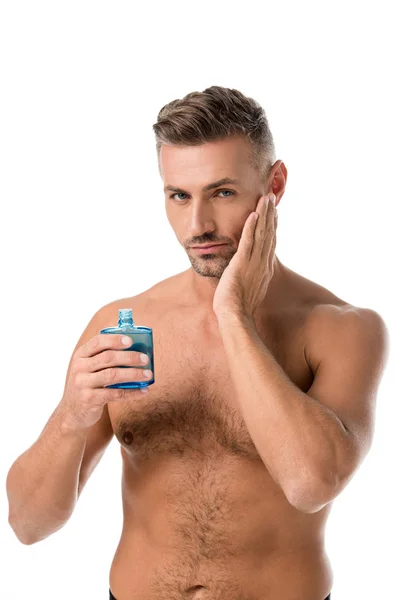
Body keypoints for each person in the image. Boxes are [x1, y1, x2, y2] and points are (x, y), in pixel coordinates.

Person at [6, 86, 388, 600]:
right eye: (179, 196)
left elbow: (310, 484)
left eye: (222, 193)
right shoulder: (124, 324)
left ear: (274, 184)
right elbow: (29, 525)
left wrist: (232, 315)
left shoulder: (341, 328)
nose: (197, 226)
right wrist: (71, 416)